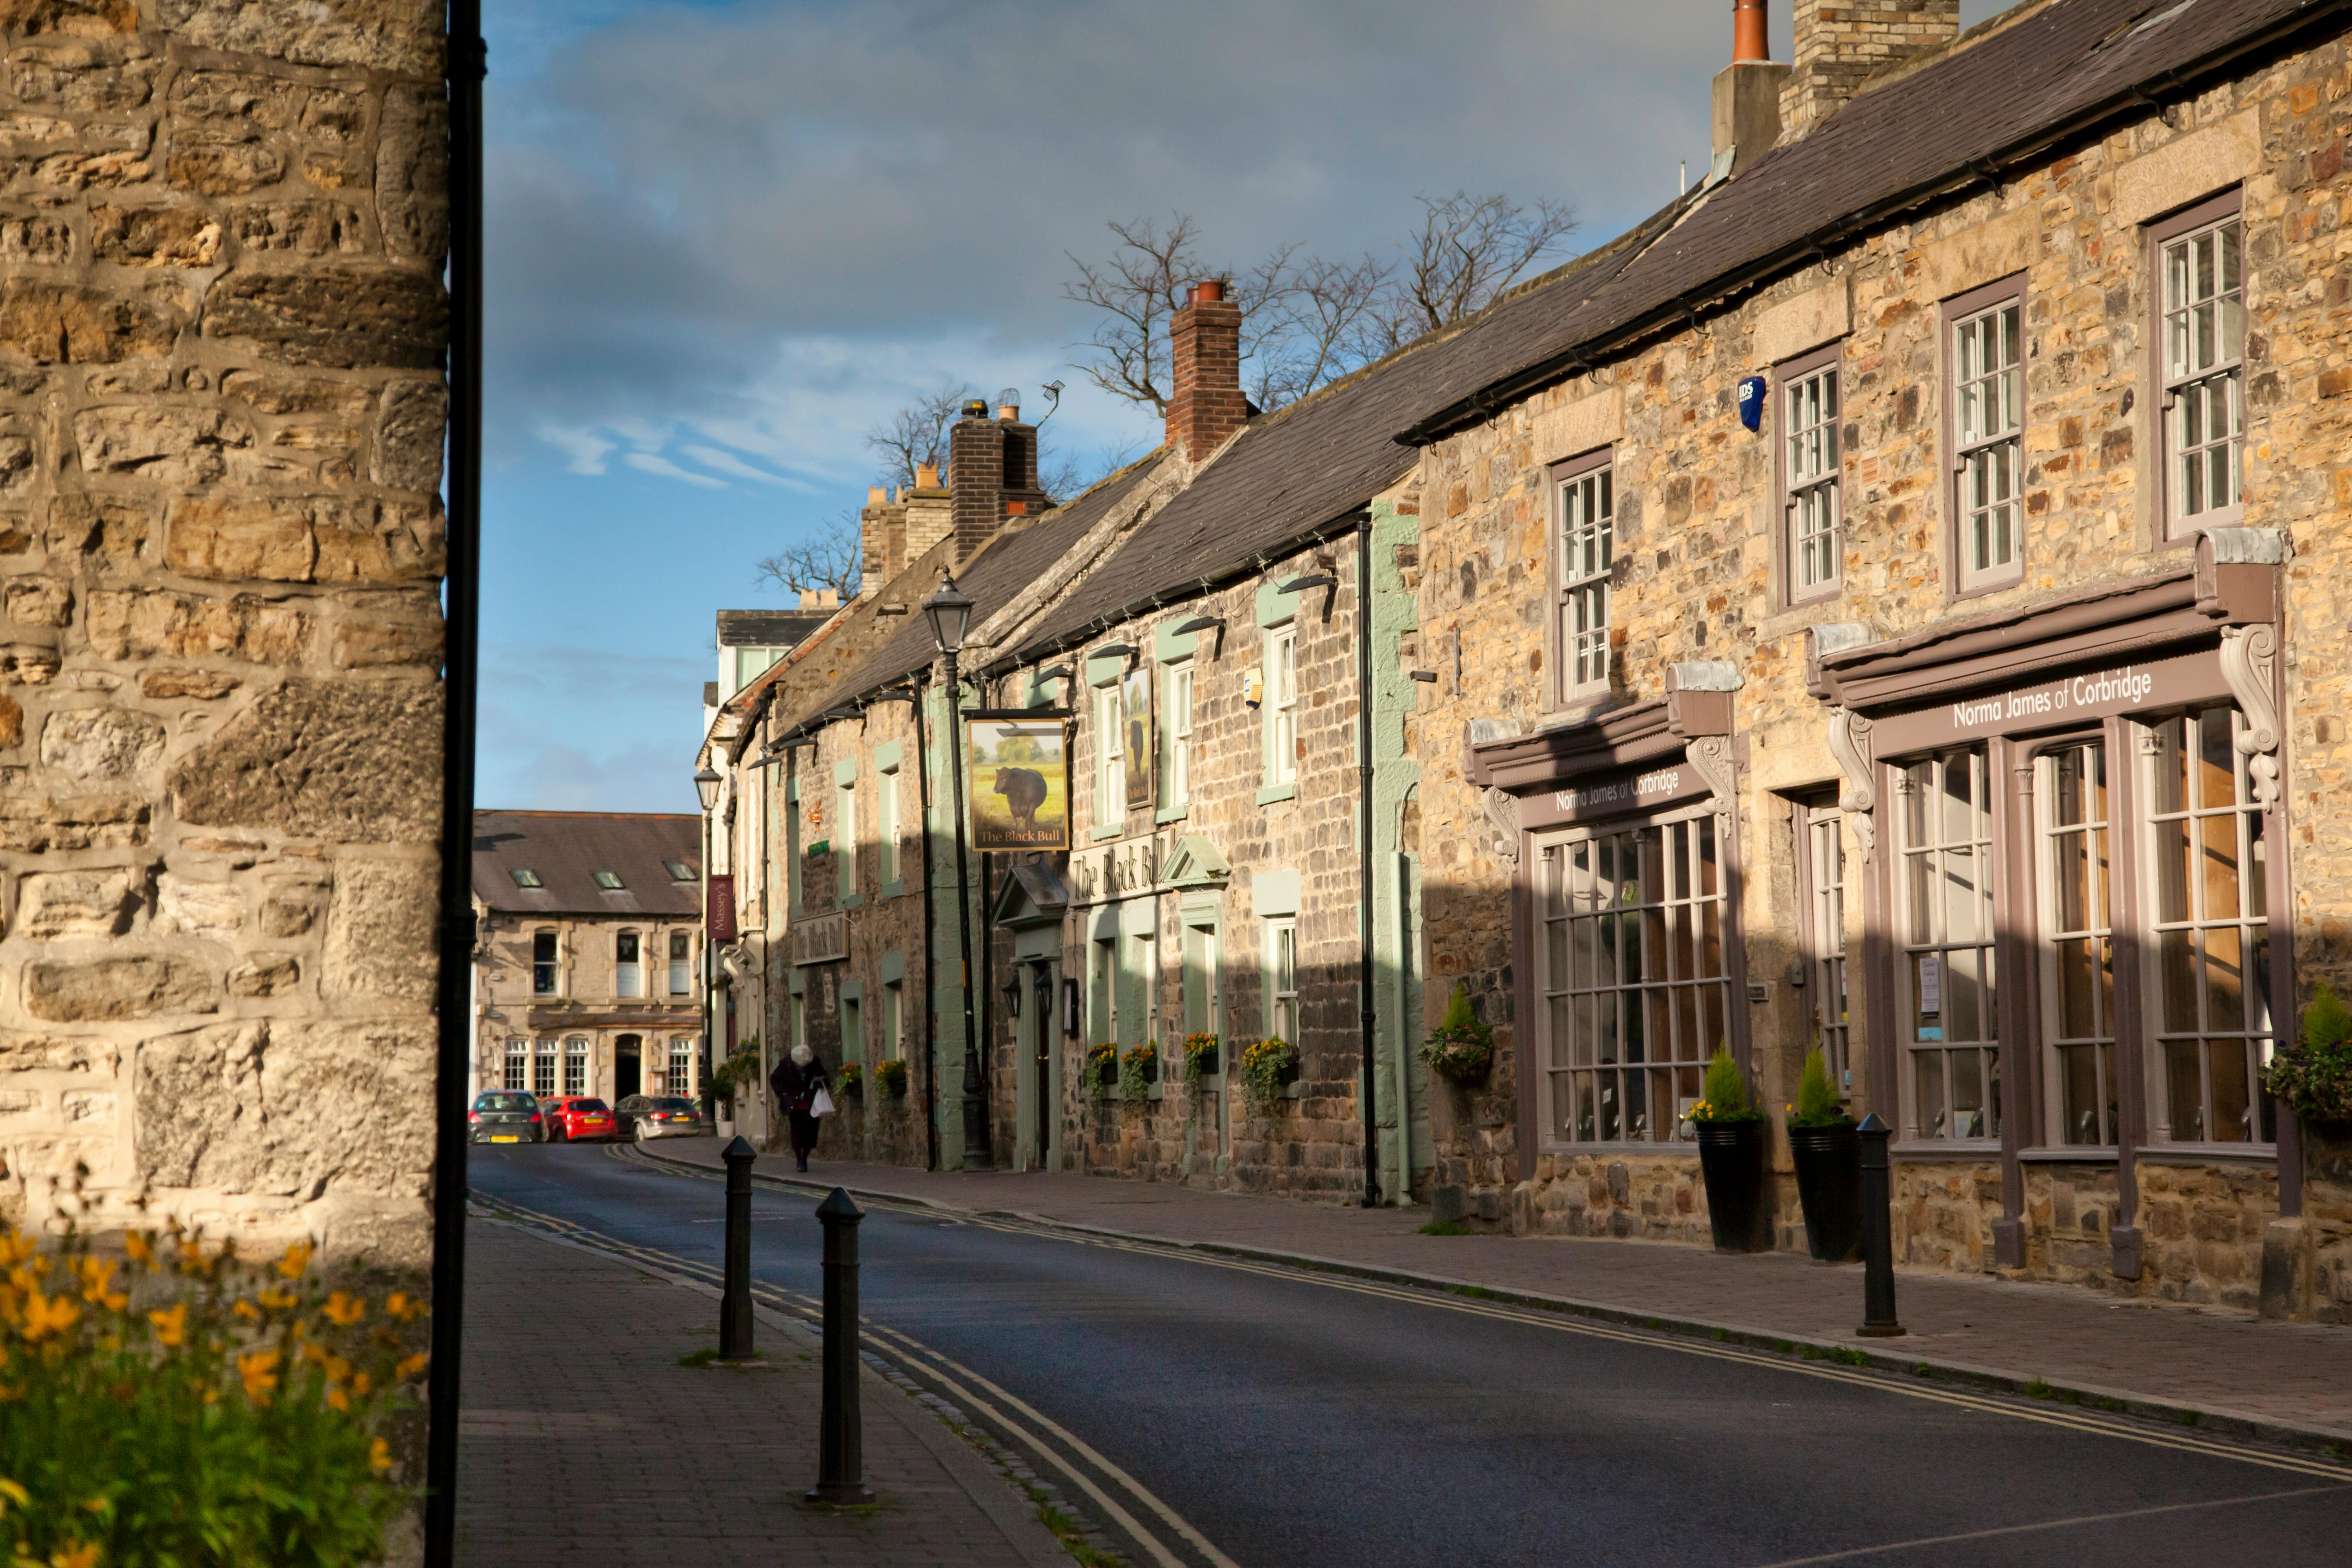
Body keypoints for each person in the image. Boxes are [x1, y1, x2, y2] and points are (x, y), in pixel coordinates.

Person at [769, 1042, 831, 1173]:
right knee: (796, 1132)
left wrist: (822, 1081)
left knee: (811, 1134)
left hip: (811, 1103)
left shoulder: (814, 1062)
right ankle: (799, 1159)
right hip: (795, 1104)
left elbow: (825, 1077)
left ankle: (805, 1156)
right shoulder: (786, 1064)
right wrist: (783, 1094)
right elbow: (774, 1079)